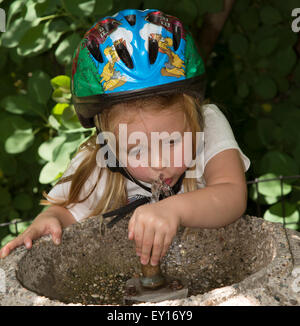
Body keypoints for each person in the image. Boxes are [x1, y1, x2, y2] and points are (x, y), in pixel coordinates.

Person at [0, 9, 250, 267]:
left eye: (173, 141)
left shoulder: (208, 124)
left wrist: (172, 209)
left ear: (194, 120)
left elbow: (231, 193)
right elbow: (64, 211)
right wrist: (49, 220)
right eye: (136, 150)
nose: (159, 163)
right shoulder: (100, 160)